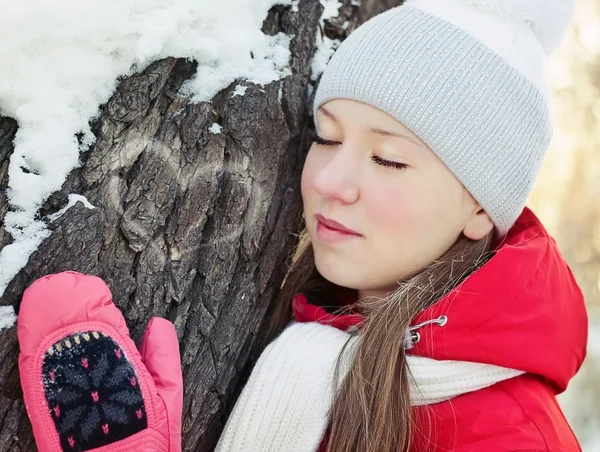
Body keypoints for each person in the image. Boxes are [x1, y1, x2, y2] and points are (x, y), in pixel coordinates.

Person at [16, 0, 588, 451]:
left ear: (481, 207)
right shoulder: (313, 340)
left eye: (388, 158)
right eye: (328, 138)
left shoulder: (509, 437)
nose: (332, 182)